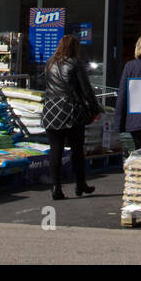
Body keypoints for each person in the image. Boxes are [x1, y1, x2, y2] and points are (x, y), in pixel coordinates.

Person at [40, 34, 99, 200]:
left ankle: (56, 187)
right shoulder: (75, 63)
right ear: (74, 47)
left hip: (51, 109)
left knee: (55, 150)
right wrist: (95, 108)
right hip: (70, 110)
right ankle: (80, 184)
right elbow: (86, 89)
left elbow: (48, 85)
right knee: (77, 149)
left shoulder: (50, 63)